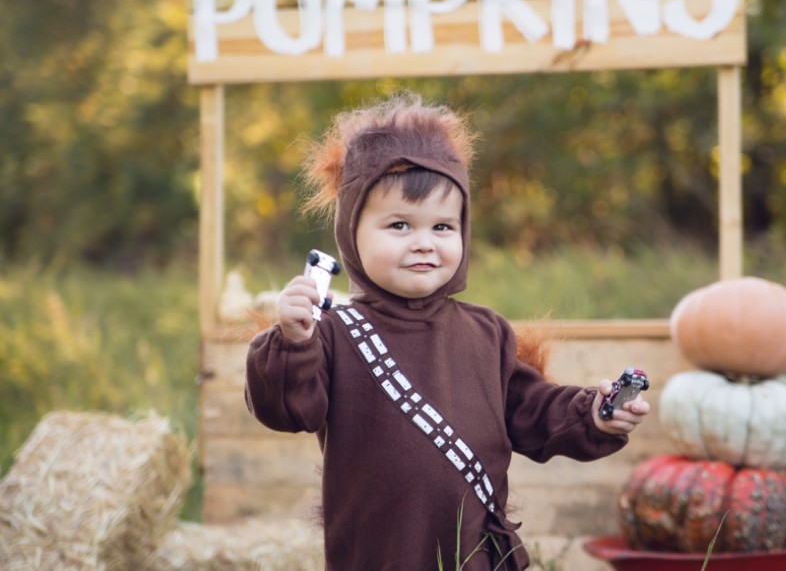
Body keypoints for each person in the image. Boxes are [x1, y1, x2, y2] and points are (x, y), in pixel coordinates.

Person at [245, 92, 650, 570]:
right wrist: (292, 341)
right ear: (351, 233)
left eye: (442, 227)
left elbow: (529, 410)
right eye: (399, 225)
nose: (423, 244)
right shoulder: (332, 333)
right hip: (381, 555)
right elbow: (288, 409)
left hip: (476, 554)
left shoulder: (485, 332)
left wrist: (593, 416)